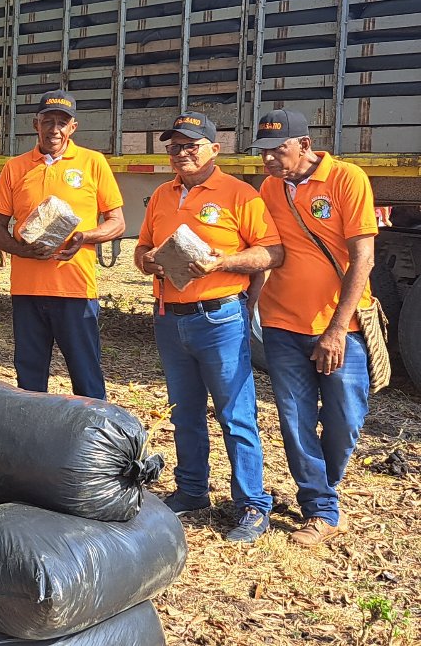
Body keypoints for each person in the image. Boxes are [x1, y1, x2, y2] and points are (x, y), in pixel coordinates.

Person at [135, 112, 283, 543]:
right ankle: (192, 490)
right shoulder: (162, 195)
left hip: (220, 317)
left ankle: (252, 504)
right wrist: (145, 260)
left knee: (235, 415)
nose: (181, 153)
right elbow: (143, 247)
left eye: (190, 146)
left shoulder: (239, 194)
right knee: (185, 413)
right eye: (174, 147)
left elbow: (271, 252)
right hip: (170, 318)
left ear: (215, 150)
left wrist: (223, 262)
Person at [251, 109, 377, 546]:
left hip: (342, 327)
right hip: (282, 322)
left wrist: (338, 329)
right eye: (263, 152)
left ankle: (324, 482)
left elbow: (363, 257)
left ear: (304, 144)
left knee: (345, 417)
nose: (268, 159)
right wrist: (250, 307)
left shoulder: (347, 179)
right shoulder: (269, 188)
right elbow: (265, 249)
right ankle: (320, 507)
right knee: (295, 419)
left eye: (277, 150)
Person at [0, 90, 124, 399]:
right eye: (47, 121)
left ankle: (92, 441)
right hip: (27, 291)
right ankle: (34, 442)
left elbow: (117, 222)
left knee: (86, 375)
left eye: (62, 123)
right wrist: (22, 250)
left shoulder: (93, 163)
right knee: (30, 377)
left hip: (75, 290)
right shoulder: (16, 166)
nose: (54, 130)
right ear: (34, 124)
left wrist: (83, 237)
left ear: (73, 127)